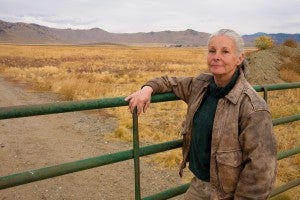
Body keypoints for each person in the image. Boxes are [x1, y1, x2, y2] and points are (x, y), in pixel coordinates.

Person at [125, 29, 277, 199]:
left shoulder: (252, 107)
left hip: (229, 193)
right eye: (212, 51)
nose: (216, 56)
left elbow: (261, 169)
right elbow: (169, 82)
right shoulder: (201, 85)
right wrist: (147, 89)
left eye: (225, 51)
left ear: (239, 58)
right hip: (199, 185)